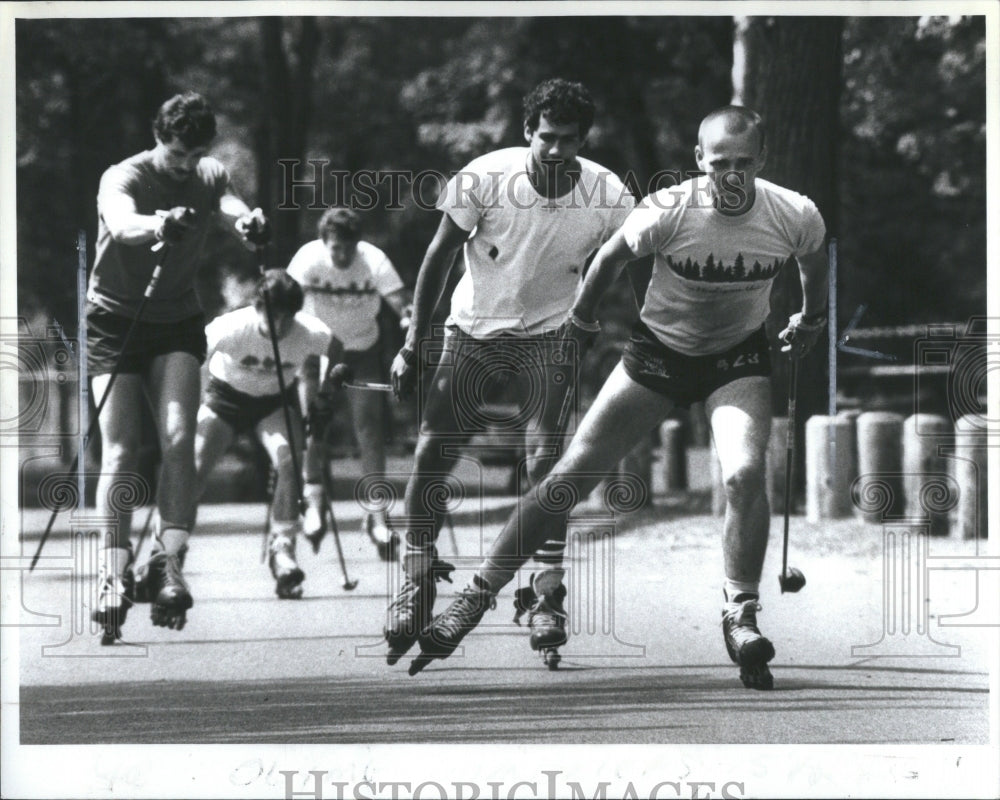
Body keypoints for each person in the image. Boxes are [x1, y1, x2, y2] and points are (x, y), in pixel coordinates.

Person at [410, 105, 829, 689]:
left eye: (743, 163)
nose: (730, 175)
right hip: (660, 354)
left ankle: (740, 610)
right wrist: (580, 321)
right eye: (719, 162)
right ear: (699, 160)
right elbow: (609, 259)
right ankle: (476, 597)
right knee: (570, 476)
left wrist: (811, 318)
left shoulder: (793, 212)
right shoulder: (670, 208)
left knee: (742, 475)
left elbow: (813, 259)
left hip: (737, 357)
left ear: (761, 160)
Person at [384, 78, 635, 667]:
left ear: (582, 140)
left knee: (548, 460)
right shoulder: (485, 176)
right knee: (432, 453)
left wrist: (651, 329)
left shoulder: (607, 192)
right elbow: (438, 256)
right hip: (472, 330)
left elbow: (635, 255)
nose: (554, 150)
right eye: (545, 137)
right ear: (528, 132)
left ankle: (546, 590)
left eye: (567, 140)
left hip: (551, 335)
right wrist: (414, 343)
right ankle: (417, 574)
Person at [87, 91, 270, 641]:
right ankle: (111, 575)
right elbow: (122, 227)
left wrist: (248, 223)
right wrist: (159, 222)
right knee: (120, 448)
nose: (185, 166)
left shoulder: (209, 172)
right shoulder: (124, 176)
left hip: (176, 322)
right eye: (176, 156)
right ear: (158, 139)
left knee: (177, 436)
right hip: (115, 320)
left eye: (193, 157)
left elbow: (232, 205)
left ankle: (169, 560)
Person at [162, 270, 332, 601]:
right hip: (225, 399)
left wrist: (327, 390)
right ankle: (170, 552)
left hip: (272, 403)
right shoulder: (232, 327)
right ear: (257, 307)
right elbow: (193, 357)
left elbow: (336, 352)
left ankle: (282, 550)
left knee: (290, 459)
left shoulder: (308, 332)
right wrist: (189, 408)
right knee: (194, 469)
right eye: (273, 315)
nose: (280, 325)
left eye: (287, 317)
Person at [287, 207, 411, 559]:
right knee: (315, 426)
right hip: (316, 351)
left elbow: (400, 300)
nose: (341, 256)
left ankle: (376, 514)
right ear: (324, 242)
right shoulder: (308, 258)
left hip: (361, 351)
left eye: (347, 249)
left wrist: (408, 318)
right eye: (335, 248)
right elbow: (285, 299)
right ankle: (313, 503)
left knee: (369, 430)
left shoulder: (373, 260)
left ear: (357, 244)